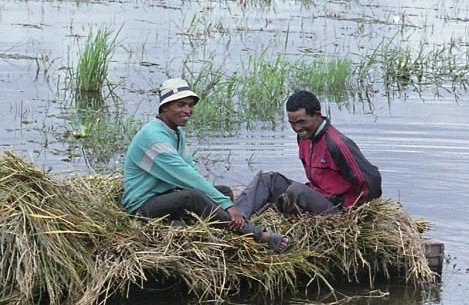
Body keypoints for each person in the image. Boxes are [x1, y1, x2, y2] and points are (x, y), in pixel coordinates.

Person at [122, 78, 290, 252]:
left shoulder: (175, 132)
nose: (187, 110)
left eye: (189, 105)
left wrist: (221, 200)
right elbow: (188, 177)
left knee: (224, 191)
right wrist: (228, 205)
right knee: (194, 197)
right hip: (142, 206)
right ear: (164, 106)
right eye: (180, 105)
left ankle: (221, 224)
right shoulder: (153, 137)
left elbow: (190, 169)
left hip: (166, 196)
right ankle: (258, 235)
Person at [234, 90, 381, 220]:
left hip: (336, 209)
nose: (297, 128)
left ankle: (283, 206)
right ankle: (236, 216)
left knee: (295, 191)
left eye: (301, 122)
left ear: (317, 115)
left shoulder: (336, 144)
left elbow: (372, 181)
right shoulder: (304, 137)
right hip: (317, 196)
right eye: (292, 123)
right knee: (267, 180)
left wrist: (351, 213)